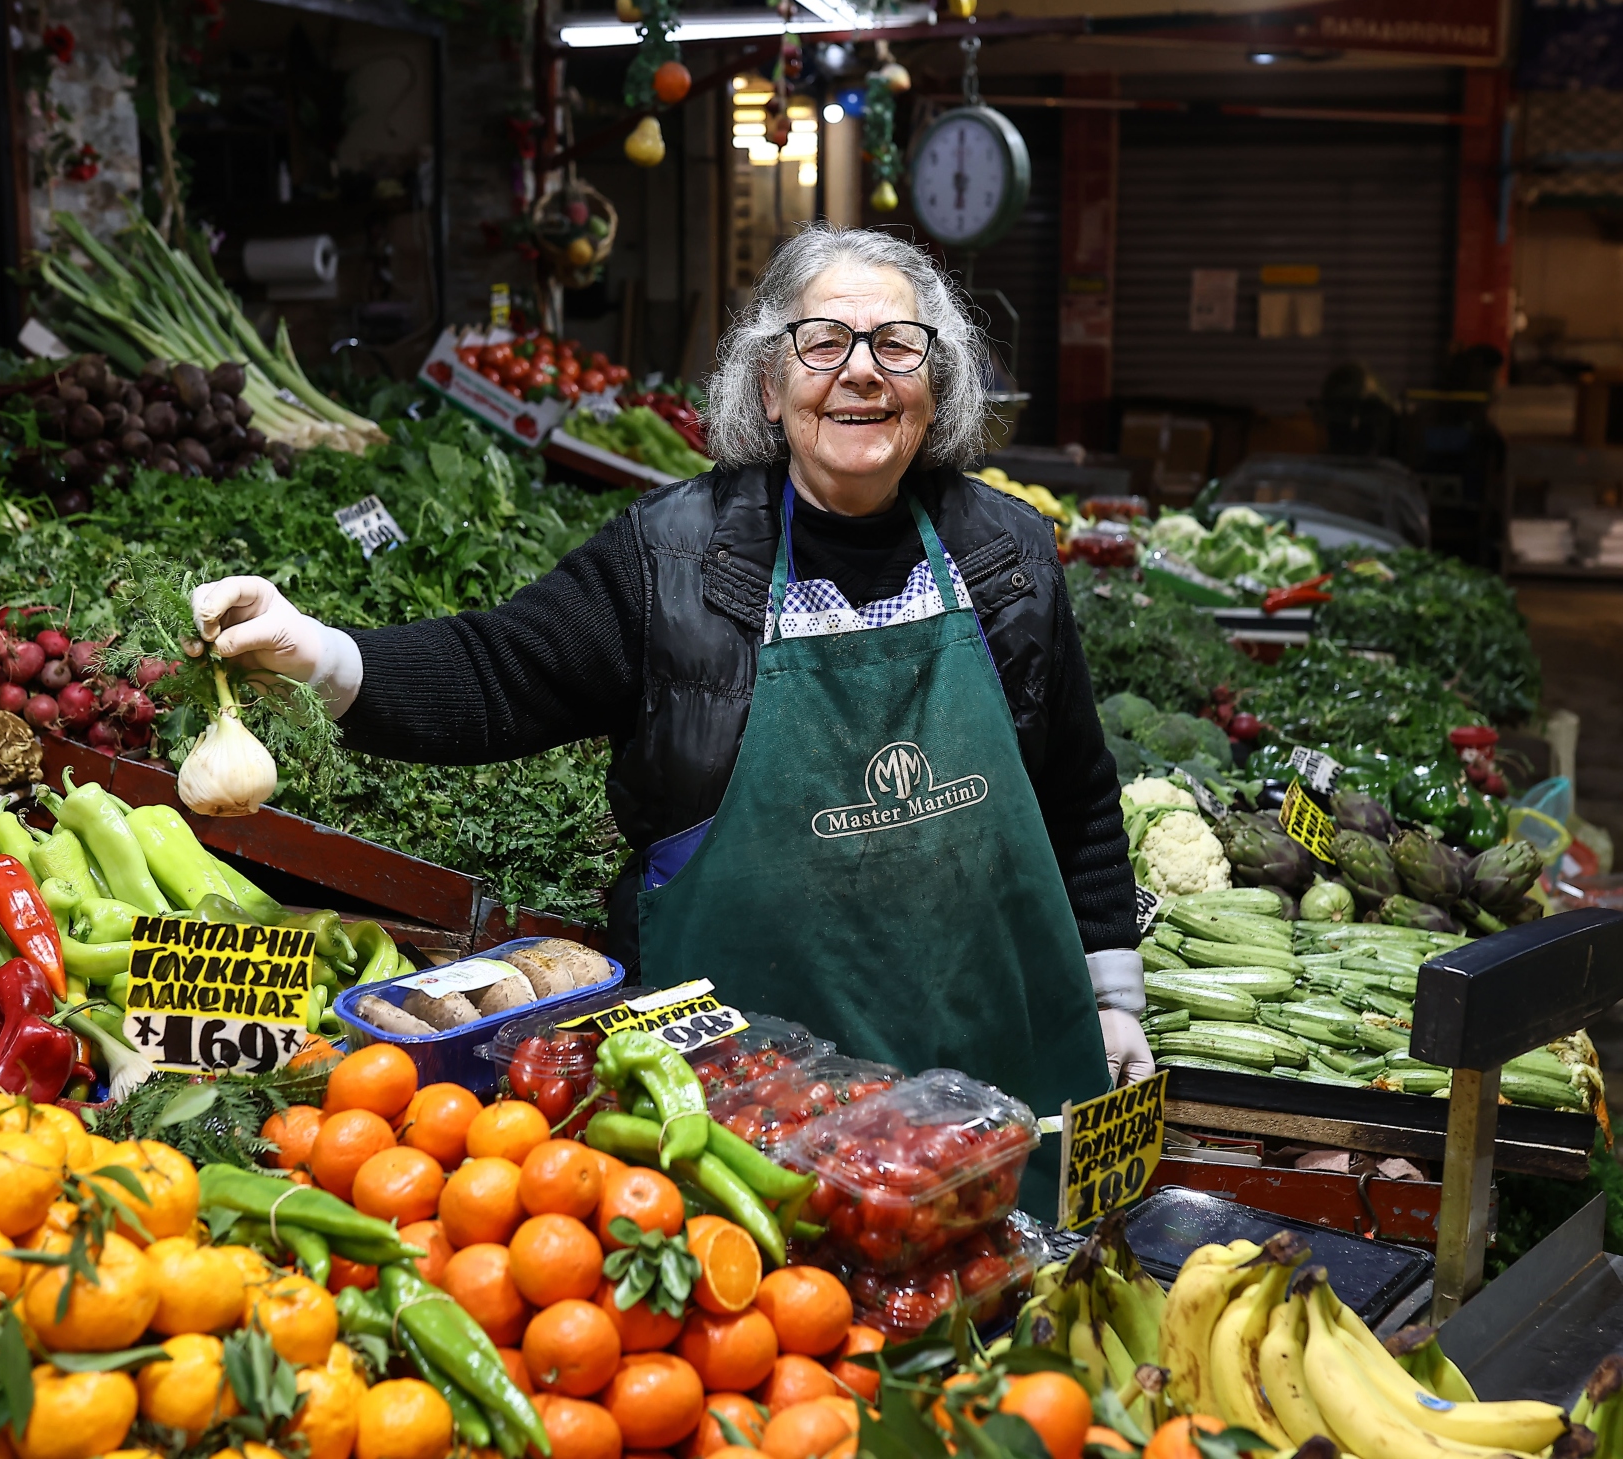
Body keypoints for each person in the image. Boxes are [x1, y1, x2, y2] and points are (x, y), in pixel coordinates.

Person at [192, 223, 1147, 1210]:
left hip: (988, 1081)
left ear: (937, 384)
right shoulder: (670, 556)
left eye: (897, 346)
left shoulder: (1010, 553)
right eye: (824, 342)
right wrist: (322, 652)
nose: (862, 373)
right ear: (770, 387)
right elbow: (500, 669)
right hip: (745, 1103)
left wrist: (1113, 992)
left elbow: (1076, 790)